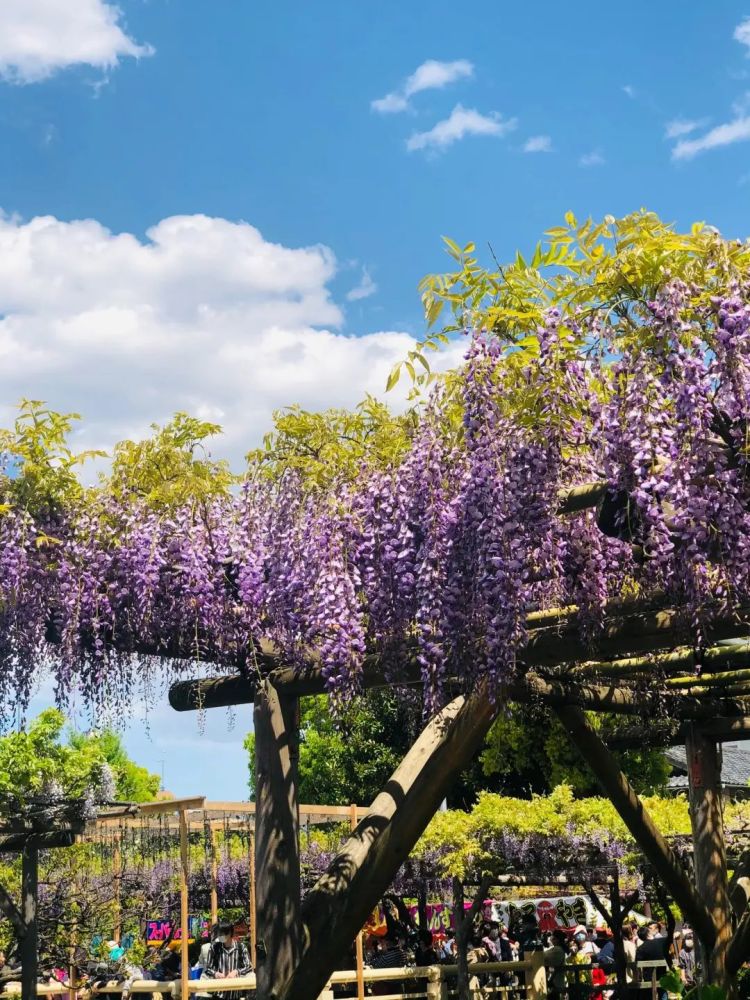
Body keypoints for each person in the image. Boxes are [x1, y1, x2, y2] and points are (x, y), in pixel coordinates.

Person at [204, 921, 252, 998]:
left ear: (230, 933)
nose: (220, 936)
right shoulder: (214, 948)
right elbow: (208, 968)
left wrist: (237, 972)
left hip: (235, 993)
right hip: (218, 994)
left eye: (223, 934)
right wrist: (216, 974)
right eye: (219, 934)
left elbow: (248, 966)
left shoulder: (241, 947)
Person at [544, 930, 568, 999]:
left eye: (553, 937)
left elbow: (544, 957)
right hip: (557, 982)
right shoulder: (558, 949)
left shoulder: (558, 950)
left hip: (556, 983)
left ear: (556, 940)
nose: (551, 939)